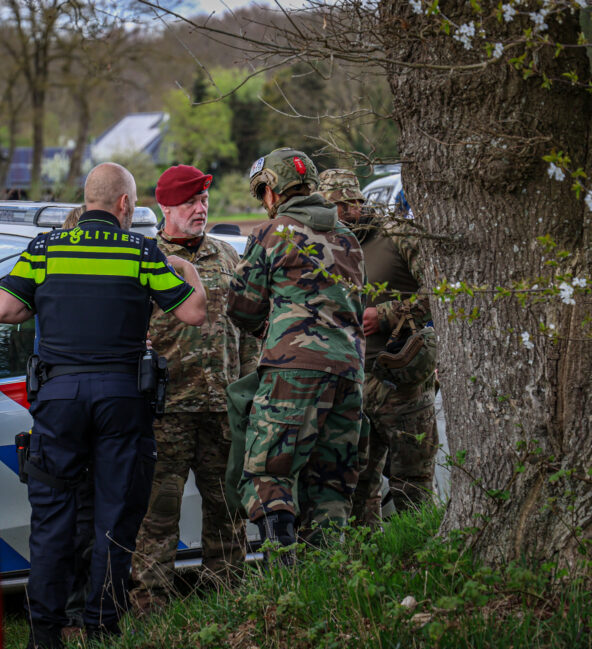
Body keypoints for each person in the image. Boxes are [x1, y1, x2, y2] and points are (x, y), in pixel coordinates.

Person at [0, 162, 207, 649]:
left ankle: (44, 638)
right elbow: (194, 311)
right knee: (115, 516)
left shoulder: (45, 249)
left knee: (51, 520)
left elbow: (1, 311)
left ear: (87, 200)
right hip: (122, 401)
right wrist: (186, 269)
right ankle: (104, 631)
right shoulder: (141, 253)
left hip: (59, 402)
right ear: (125, 205)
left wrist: (43, 305)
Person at [226, 148, 366, 562]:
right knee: (332, 482)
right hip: (349, 375)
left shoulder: (273, 234)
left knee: (268, 473)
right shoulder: (348, 238)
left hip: (294, 373)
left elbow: (242, 306)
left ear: (272, 190)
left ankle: (283, 586)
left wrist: (266, 329)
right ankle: (325, 586)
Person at [130, 165, 257, 613]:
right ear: (165, 206)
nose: (200, 209)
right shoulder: (143, 258)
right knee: (157, 515)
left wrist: (248, 392)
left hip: (222, 409)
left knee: (227, 510)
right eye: (189, 203)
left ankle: (227, 601)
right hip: (166, 411)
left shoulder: (227, 257)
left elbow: (249, 330)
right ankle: (151, 607)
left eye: (203, 201)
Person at [318, 169, 437, 522]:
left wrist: (387, 314)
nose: (336, 215)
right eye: (329, 209)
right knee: (356, 491)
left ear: (355, 202)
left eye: (340, 207)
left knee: (412, 490)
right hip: (350, 387)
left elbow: (439, 289)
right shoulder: (327, 245)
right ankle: (366, 571)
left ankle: (421, 566)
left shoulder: (397, 234)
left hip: (402, 385)